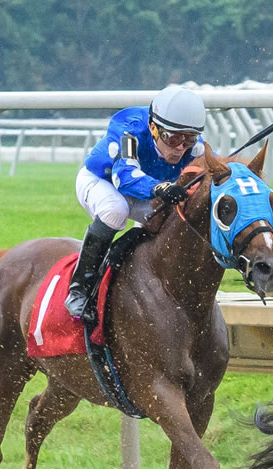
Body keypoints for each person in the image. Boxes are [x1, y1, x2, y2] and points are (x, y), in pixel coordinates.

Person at [64, 84, 208, 319]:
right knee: (115, 210)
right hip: (102, 181)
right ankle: (79, 289)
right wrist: (160, 188)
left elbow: (211, 170)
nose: (180, 148)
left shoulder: (194, 146)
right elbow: (124, 177)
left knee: (172, 220)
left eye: (189, 139)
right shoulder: (130, 131)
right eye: (172, 138)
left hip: (147, 190)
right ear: (153, 128)